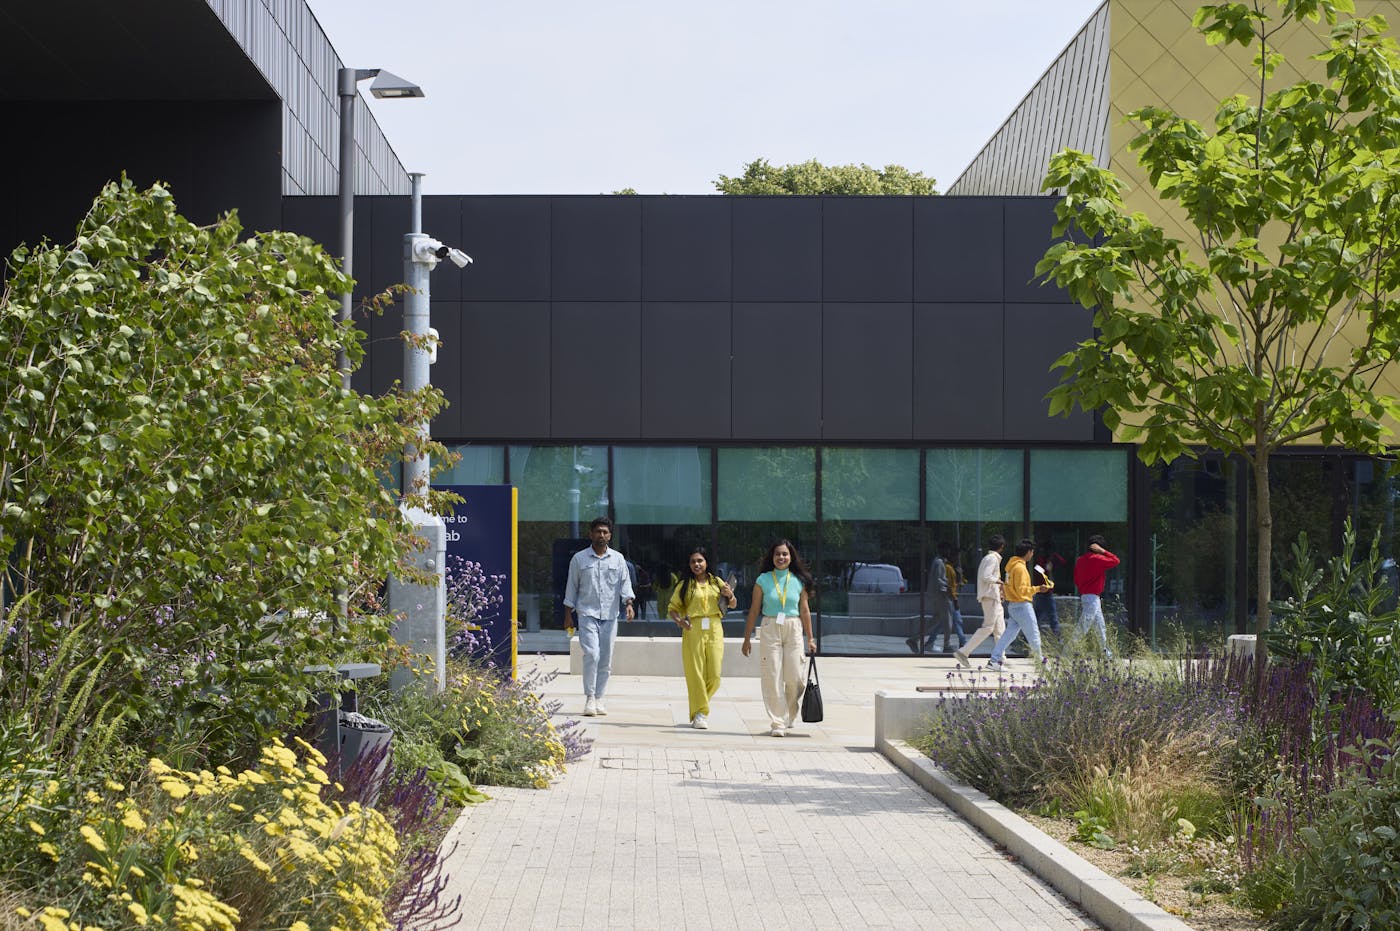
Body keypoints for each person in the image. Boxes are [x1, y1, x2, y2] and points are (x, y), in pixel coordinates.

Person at [741, 539, 817, 737]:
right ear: (772, 557)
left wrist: (811, 638)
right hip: (770, 627)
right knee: (772, 676)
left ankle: (789, 711)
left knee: (795, 677)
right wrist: (747, 638)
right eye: (777, 554)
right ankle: (777, 722)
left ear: (791, 557)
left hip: (793, 627)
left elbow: (805, 611)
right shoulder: (763, 580)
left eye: (785, 554)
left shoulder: (799, 581)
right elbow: (754, 610)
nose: (781, 557)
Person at [563, 517, 635, 716]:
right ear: (591, 534)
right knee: (592, 655)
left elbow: (624, 584)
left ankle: (600, 698)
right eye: (598, 531)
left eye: (605, 532)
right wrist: (568, 614)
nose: (601, 535)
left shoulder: (618, 559)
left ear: (610, 536)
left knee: (605, 659)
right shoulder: (579, 559)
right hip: (587, 614)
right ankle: (589, 698)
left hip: (610, 616)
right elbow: (572, 587)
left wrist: (628, 603)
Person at [668, 546, 737, 730]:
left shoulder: (717, 582)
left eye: (700, 561)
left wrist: (730, 595)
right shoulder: (684, 586)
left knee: (714, 675)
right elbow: (672, 609)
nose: (697, 564)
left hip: (714, 626)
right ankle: (700, 713)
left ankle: (700, 706)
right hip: (693, 628)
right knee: (696, 673)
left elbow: (732, 603)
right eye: (693, 561)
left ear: (706, 563)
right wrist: (680, 622)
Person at [987, 539, 1051, 669]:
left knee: (1008, 635)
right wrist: (1039, 588)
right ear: (1028, 552)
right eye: (1032, 552)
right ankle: (1041, 663)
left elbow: (1008, 586)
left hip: (1013, 606)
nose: (1032, 554)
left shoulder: (1011, 567)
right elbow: (1022, 591)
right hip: (1022, 605)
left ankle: (994, 660)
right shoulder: (1020, 568)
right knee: (1033, 634)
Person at [955, 535, 1006, 668]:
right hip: (990, 597)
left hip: (993, 597)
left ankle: (1000, 657)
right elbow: (986, 576)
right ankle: (964, 652)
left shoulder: (989, 558)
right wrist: (999, 581)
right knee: (989, 627)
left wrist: (999, 589)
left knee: (1000, 629)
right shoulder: (992, 559)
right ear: (1001, 547)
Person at [908, 542, 965, 654]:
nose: (949, 552)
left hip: (940, 595)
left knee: (935, 622)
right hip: (941, 596)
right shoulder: (939, 563)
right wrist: (950, 595)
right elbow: (940, 581)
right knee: (948, 621)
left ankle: (914, 639)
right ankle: (946, 645)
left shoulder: (940, 562)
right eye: (947, 550)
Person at [1074, 534, 1121, 659]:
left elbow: (1076, 579)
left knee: (1100, 626)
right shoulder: (1097, 559)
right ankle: (1067, 652)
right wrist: (1102, 551)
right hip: (1093, 597)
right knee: (1083, 626)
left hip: (1085, 595)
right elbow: (1116, 561)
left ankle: (1107, 654)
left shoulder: (1080, 560)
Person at [1033, 540, 1066, 635]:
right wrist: (1046, 567)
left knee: (1037, 616)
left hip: (1042, 591)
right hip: (1045, 592)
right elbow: (1038, 572)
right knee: (1052, 616)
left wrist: (1053, 558)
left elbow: (1063, 562)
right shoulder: (1041, 560)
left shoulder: (1047, 559)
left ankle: (1028, 637)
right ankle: (1058, 638)